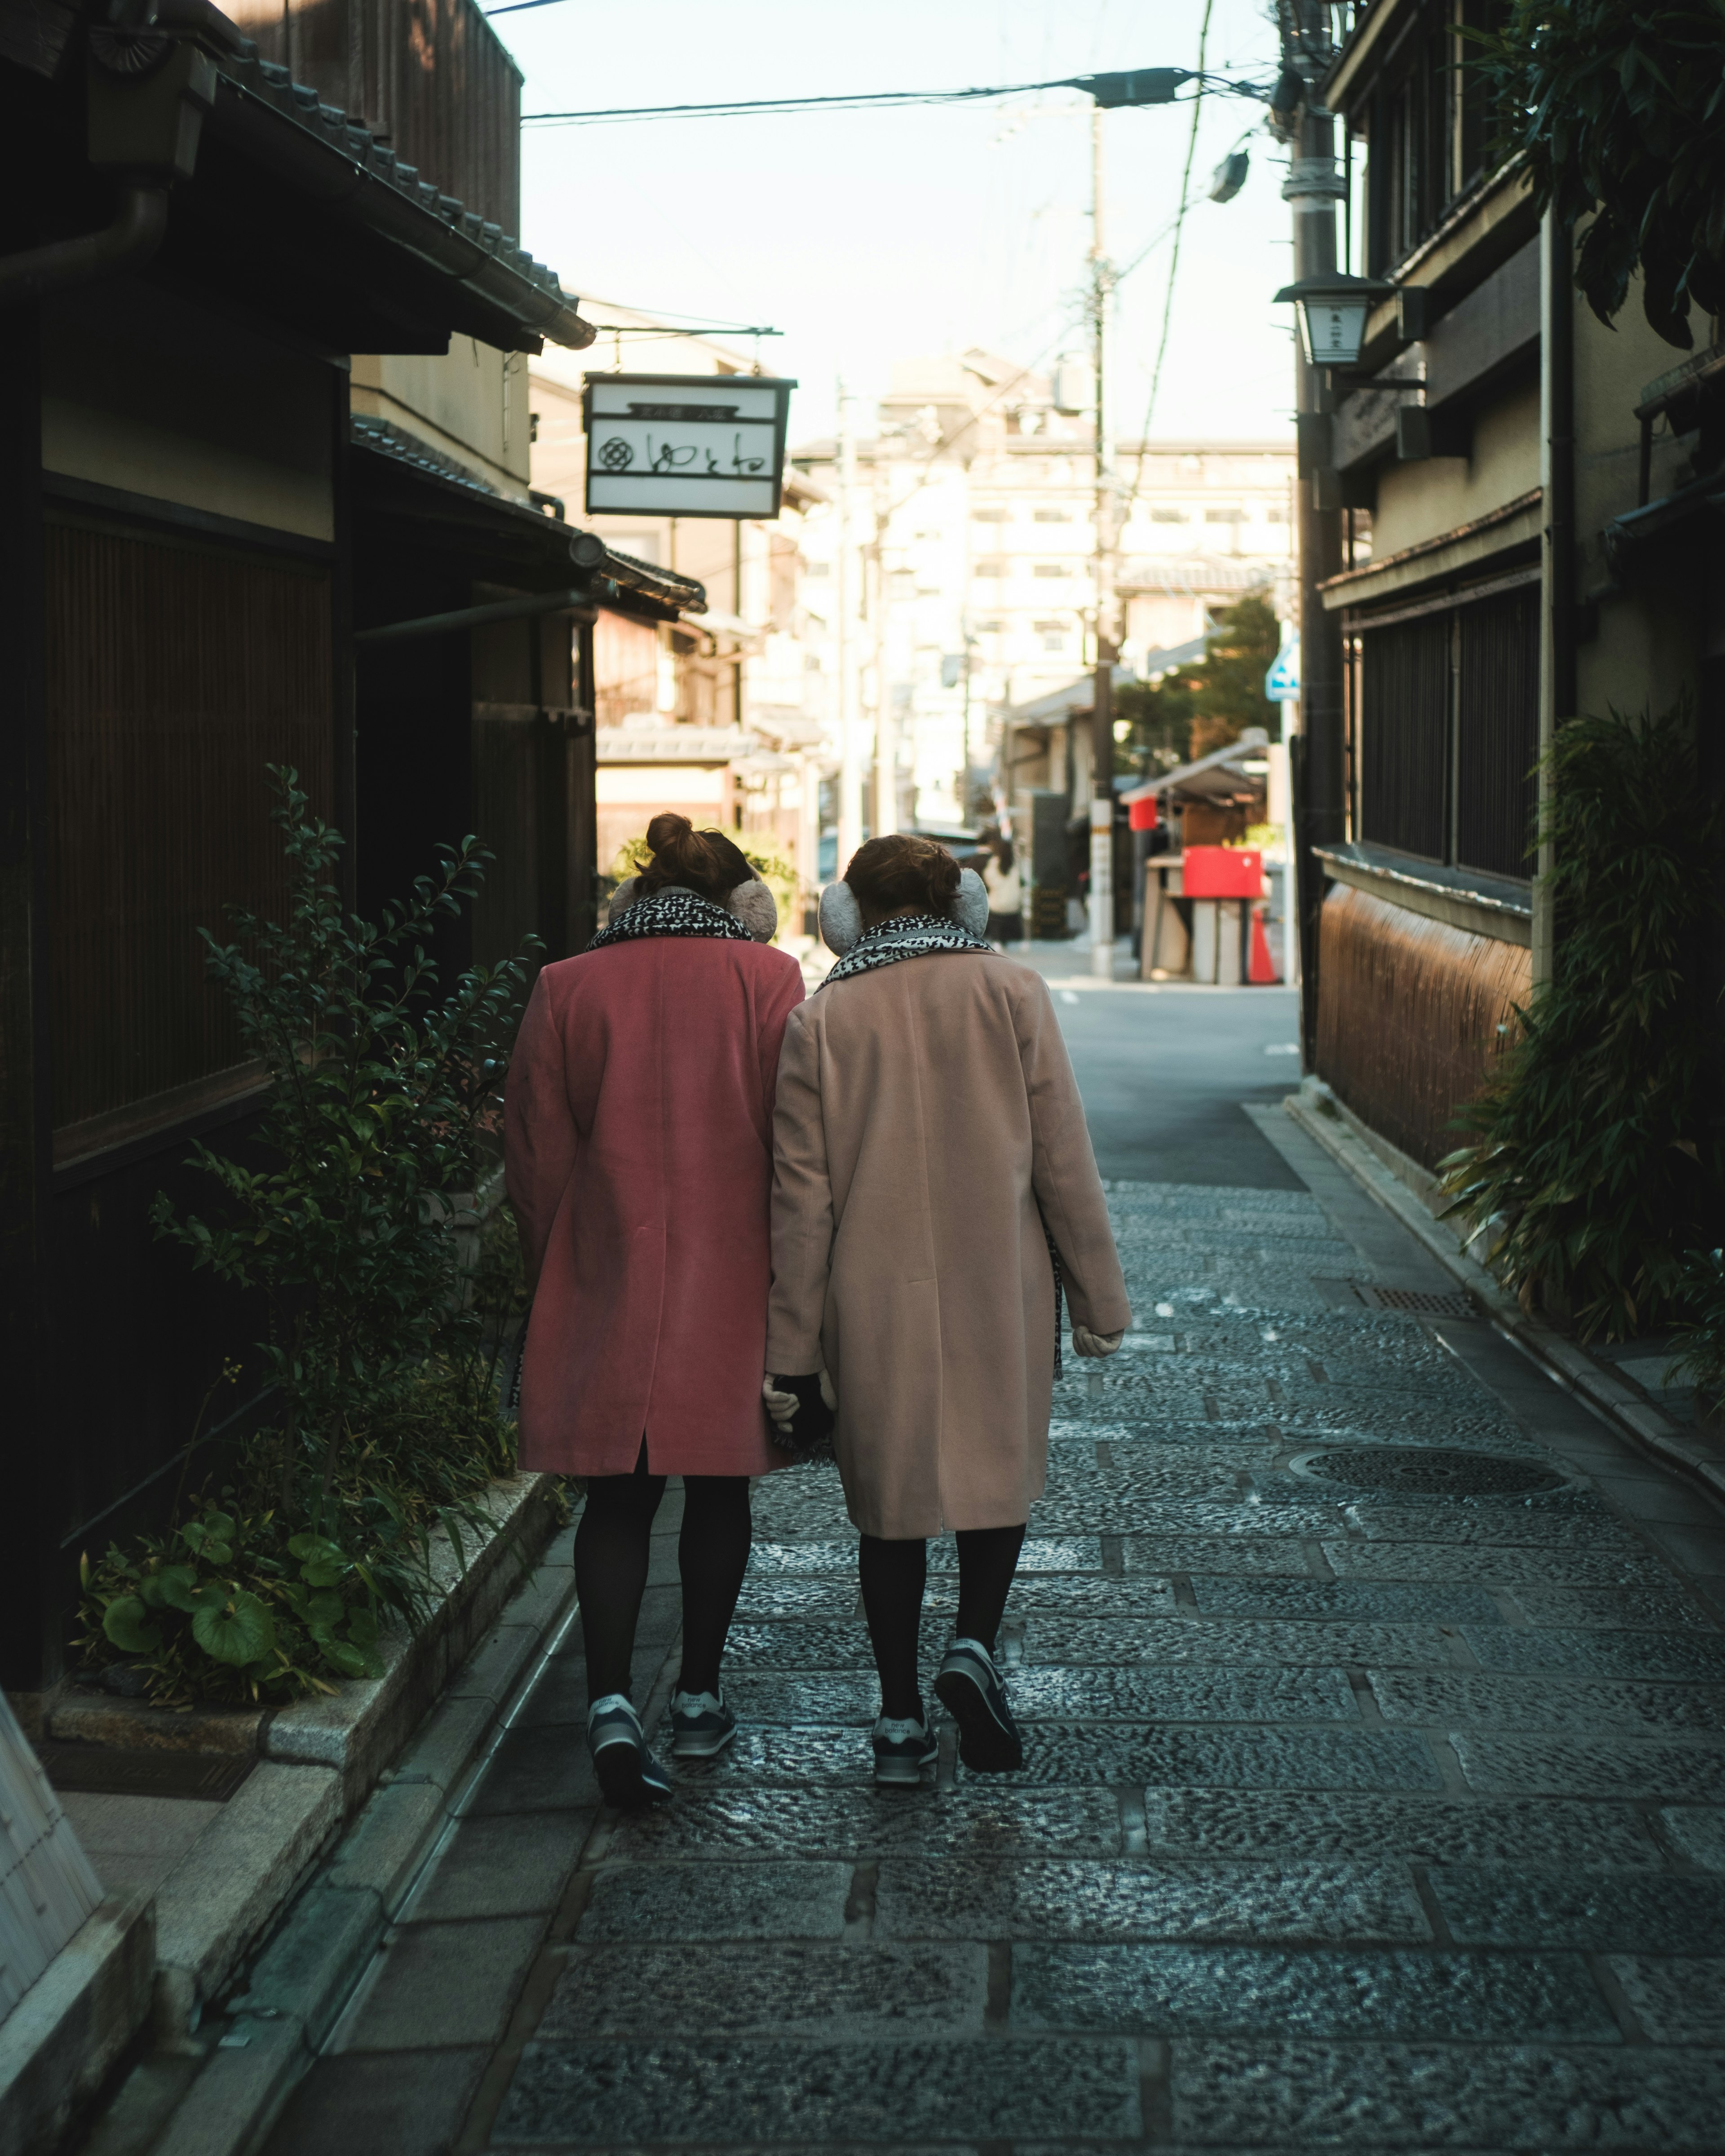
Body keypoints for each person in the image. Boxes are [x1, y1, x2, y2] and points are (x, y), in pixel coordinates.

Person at [763, 834, 1130, 1785]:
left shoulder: (823, 1019)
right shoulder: (1011, 992)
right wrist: (1098, 1296)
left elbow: (802, 1203)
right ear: (962, 902)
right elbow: (1063, 1159)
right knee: (994, 1473)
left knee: (888, 1511)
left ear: (846, 917)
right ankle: (971, 1646)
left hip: (869, 1294)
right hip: (998, 1282)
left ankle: (895, 1724)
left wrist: (791, 1352)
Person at [506, 813, 803, 1807]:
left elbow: (538, 1153)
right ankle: (701, 1696)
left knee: (616, 1496)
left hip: (606, 1264)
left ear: (637, 894)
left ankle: (606, 1705)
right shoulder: (768, 982)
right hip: (737, 1269)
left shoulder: (568, 986)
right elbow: (795, 1139)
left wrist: (559, 1258)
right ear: (734, 902)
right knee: (721, 1491)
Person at [982, 838, 1022, 945]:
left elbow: (989, 879)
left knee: (996, 927)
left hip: (997, 906)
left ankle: (997, 941)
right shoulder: (1016, 864)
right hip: (1013, 906)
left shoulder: (994, 862)